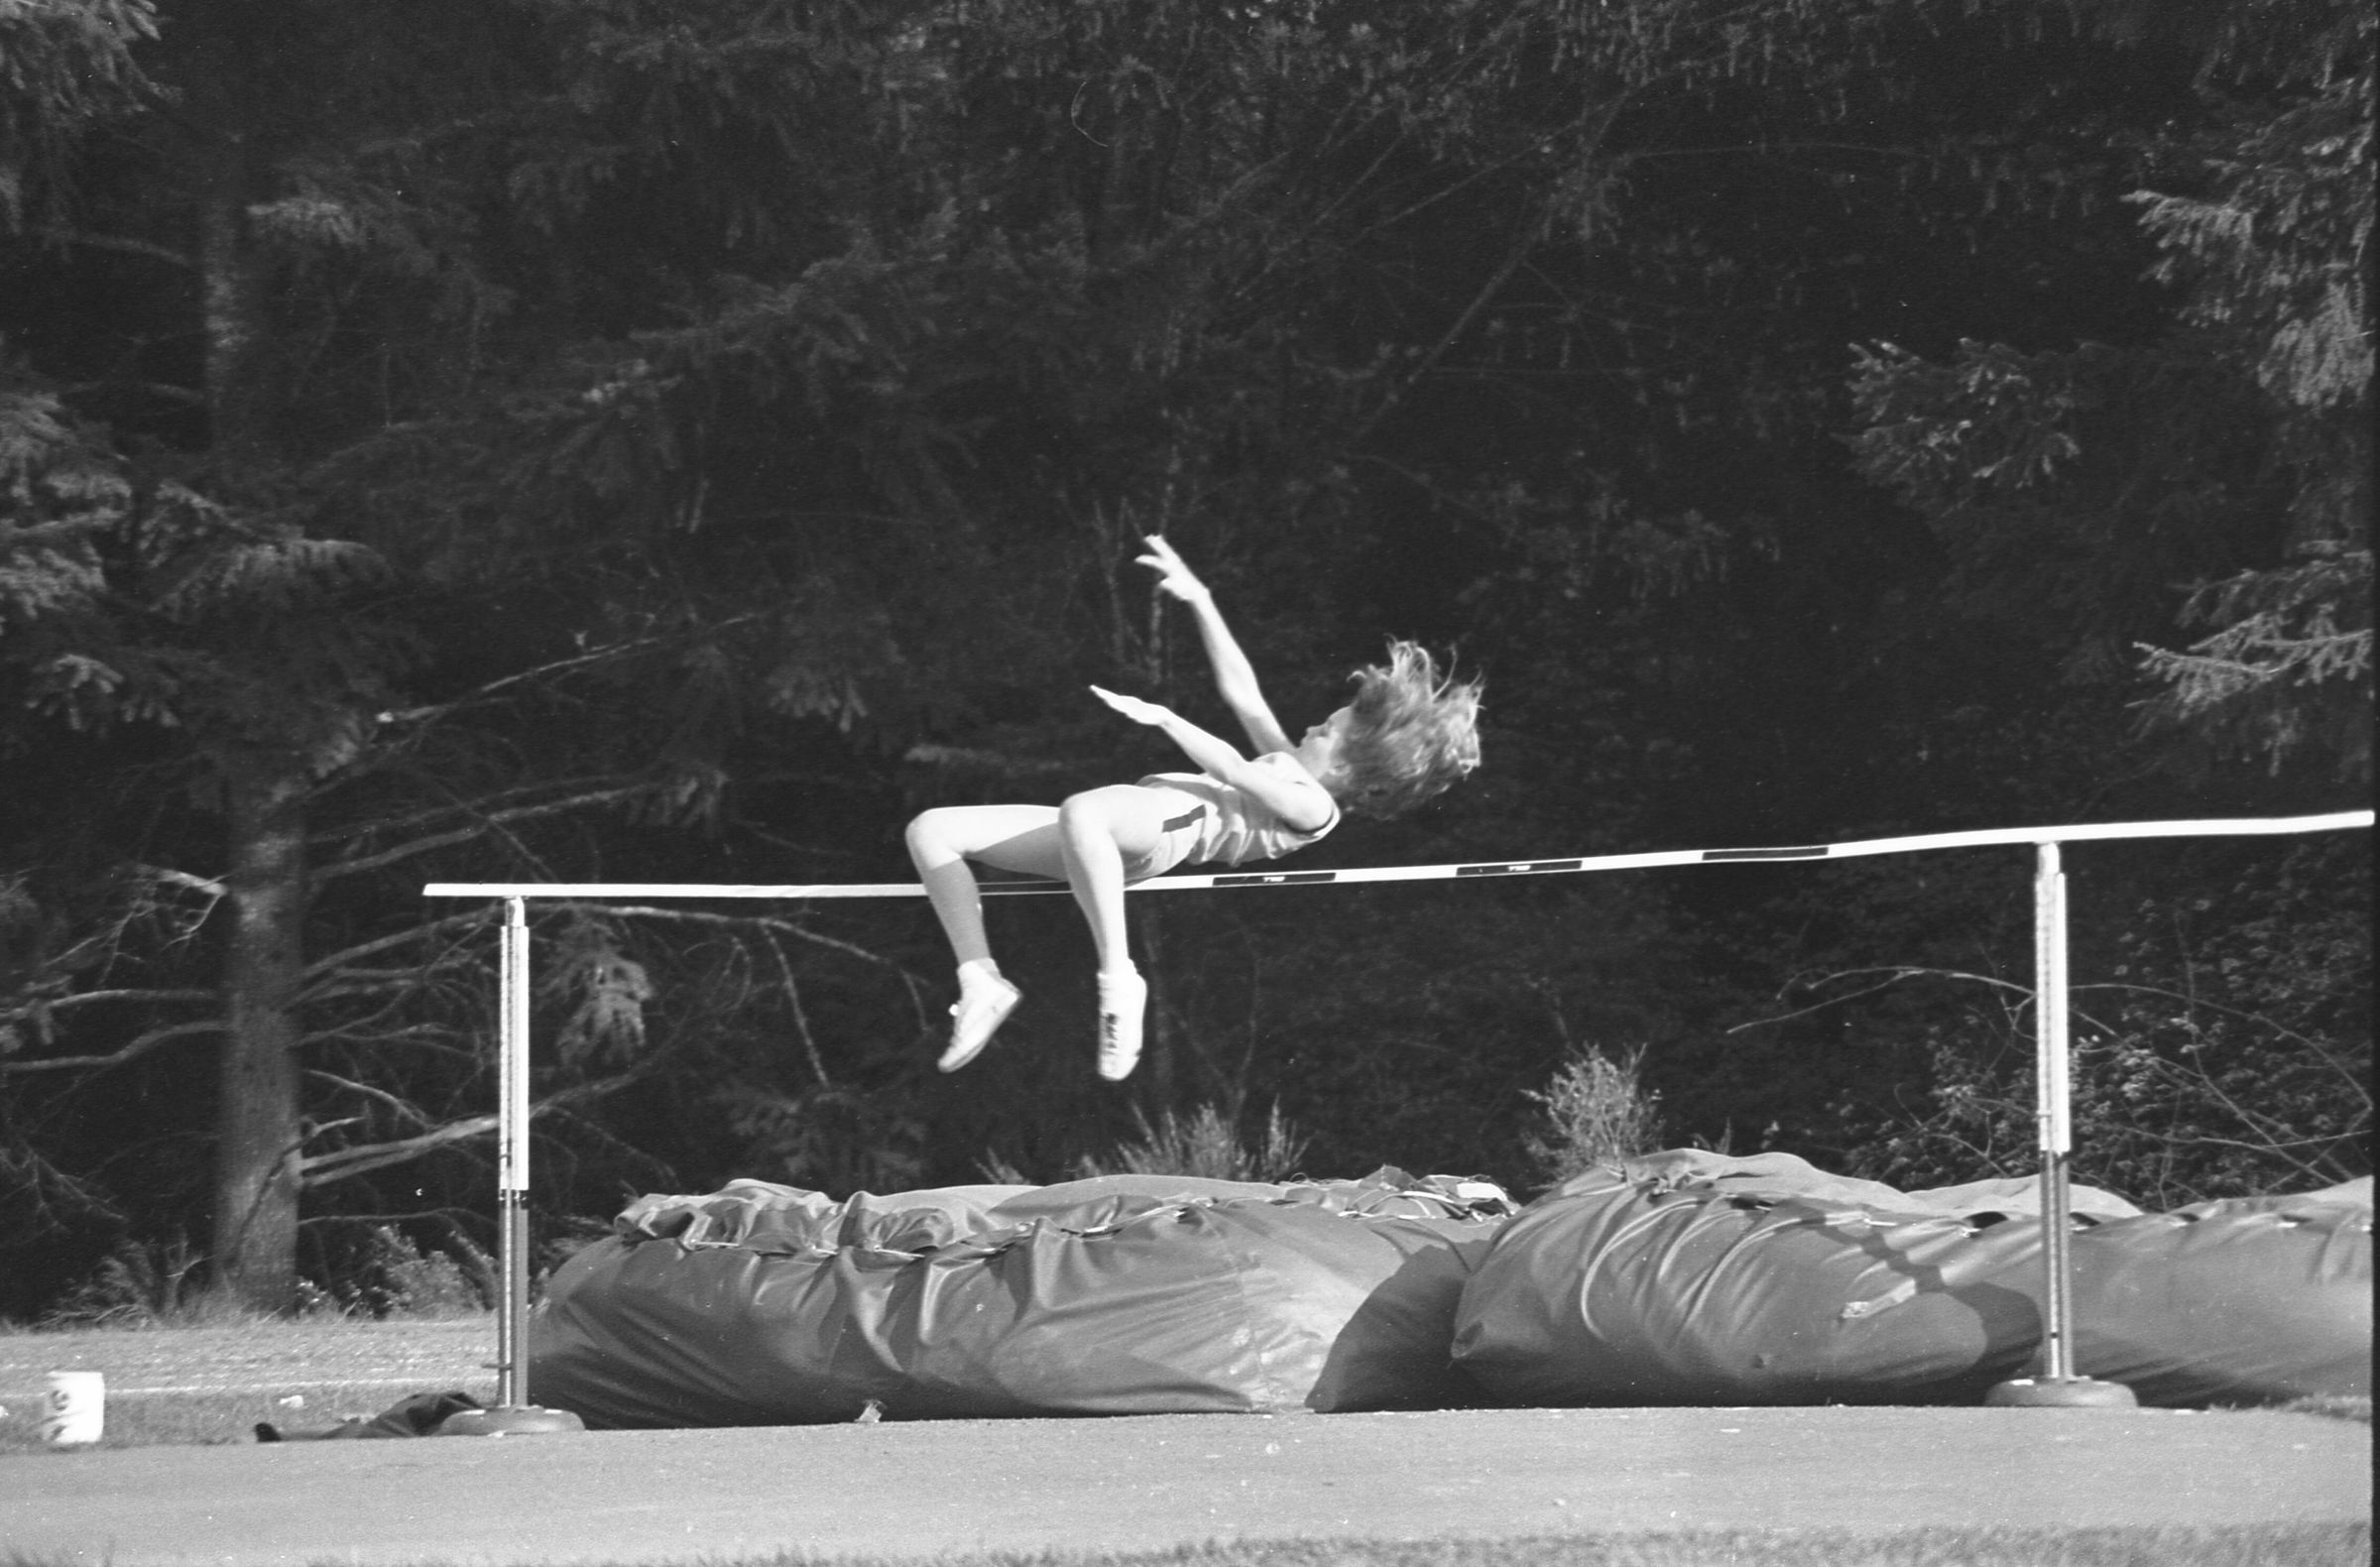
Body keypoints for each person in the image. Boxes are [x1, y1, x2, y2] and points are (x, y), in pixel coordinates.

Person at [904, 536, 1482, 1081]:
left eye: (1327, 730)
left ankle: (1119, 981)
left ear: (1351, 770)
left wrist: (1166, 718)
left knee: (1084, 811)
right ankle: (980, 978)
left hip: (1164, 828)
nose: (1312, 726)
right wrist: (1201, 600)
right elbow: (1244, 695)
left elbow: (1232, 770)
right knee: (933, 830)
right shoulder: (1290, 766)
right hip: (1126, 826)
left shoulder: (1313, 808)